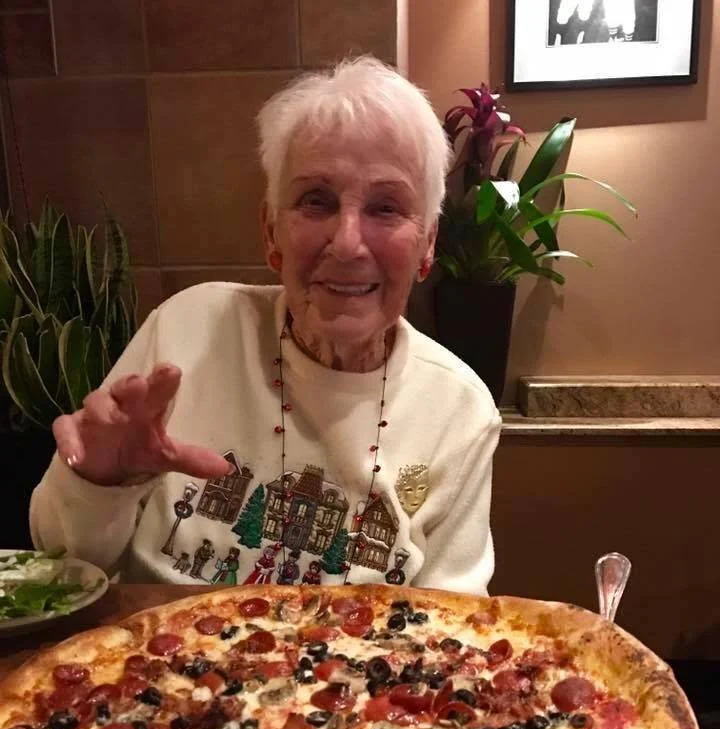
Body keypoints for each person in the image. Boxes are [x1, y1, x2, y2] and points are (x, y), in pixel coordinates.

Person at [30, 57, 501, 594]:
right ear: (271, 231)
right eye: (315, 201)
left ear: (428, 244)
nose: (347, 244)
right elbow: (57, 565)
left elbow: (454, 631)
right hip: (147, 665)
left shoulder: (459, 409)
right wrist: (97, 487)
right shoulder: (187, 330)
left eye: (386, 207)